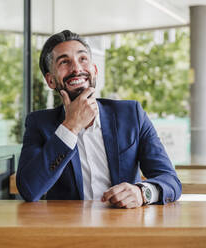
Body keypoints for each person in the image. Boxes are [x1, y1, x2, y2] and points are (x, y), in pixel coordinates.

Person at [16, 30, 182, 208]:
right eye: (64, 62)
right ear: (51, 81)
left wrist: (143, 192)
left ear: (94, 71)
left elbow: (171, 180)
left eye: (83, 59)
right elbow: (29, 189)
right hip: (68, 230)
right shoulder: (39, 124)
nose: (77, 69)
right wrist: (71, 126)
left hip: (125, 227)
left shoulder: (131, 114)